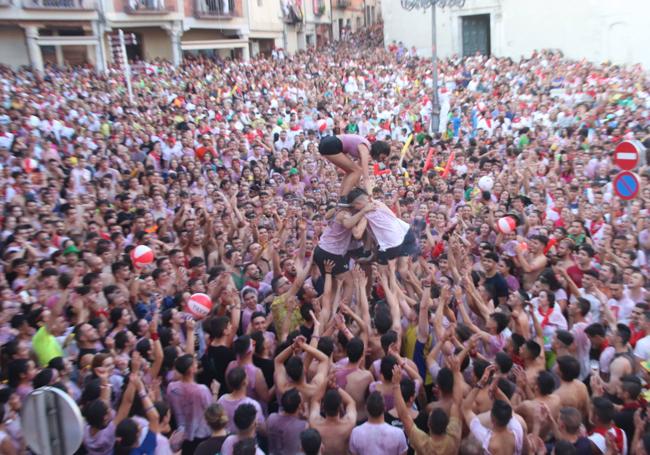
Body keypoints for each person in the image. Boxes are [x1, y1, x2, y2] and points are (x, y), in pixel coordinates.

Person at [317, 135, 389, 204]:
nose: (381, 160)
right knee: (356, 170)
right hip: (330, 144)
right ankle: (343, 198)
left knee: (351, 171)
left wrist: (358, 187)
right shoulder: (365, 149)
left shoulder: (365, 149)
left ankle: (341, 196)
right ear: (379, 151)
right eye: (382, 157)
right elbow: (365, 176)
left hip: (329, 144)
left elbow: (357, 173)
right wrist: (370, 194)